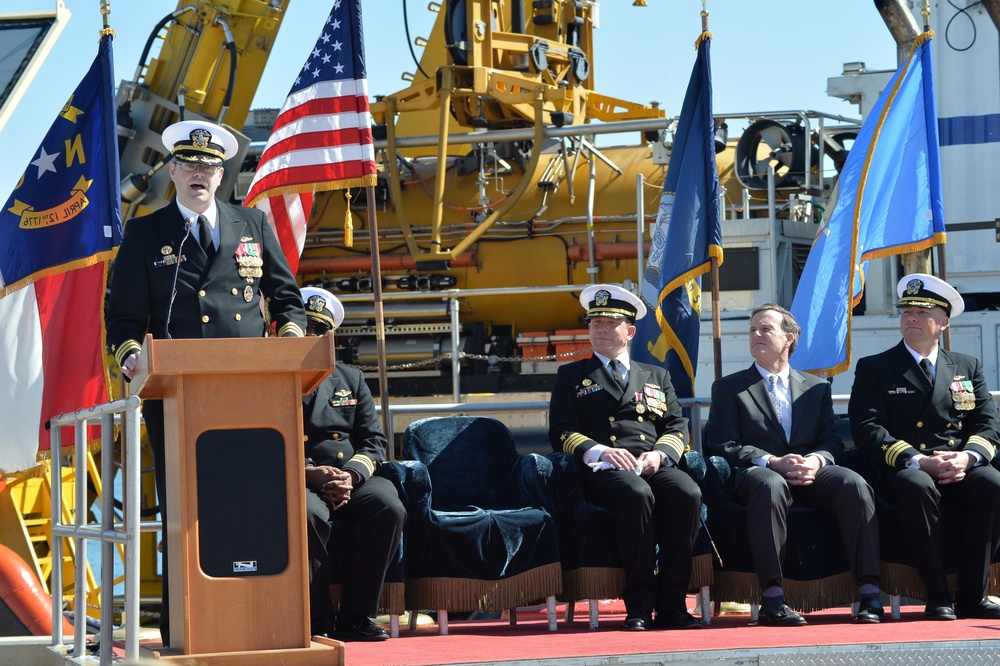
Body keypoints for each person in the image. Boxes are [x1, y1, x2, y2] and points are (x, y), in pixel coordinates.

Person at [105, 120, 306, 646]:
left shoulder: (253, 224)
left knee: (251, 505)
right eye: (189, 165)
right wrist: (131, 358)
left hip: (251, 398)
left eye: (209, 166)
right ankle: (186, 630)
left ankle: (257, 624)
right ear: (172, 171)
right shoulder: (147, 233)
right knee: (186, 517)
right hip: (177, 400)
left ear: (222, 174)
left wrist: (288, 337)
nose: (199, 174)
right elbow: (124, 322)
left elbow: (287, 299)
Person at [705, 304, 883, 626]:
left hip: (810, 472)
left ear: (788, 338)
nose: (755, 335)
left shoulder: (816, 387)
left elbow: (831, 440)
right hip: (758, 474)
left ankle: (870, 593)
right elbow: (722, 444)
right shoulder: (729, 388)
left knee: (854, 485)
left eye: (765, 329)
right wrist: (773, 462)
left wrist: (815, 461)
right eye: (752, 330)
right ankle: (773, 598)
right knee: (770, 485)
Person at [548, 284, 703, 631]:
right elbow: (559, 431)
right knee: (636, 494)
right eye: (595, 323)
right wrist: (601, 449)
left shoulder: (656, 375)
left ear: (629, 331)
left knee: (687, 493)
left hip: (650, 463)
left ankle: (673, 605)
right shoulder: (571, 376)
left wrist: (659, 456)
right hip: (604, 469)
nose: (601, 329)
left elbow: (678, 426)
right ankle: (639, 605)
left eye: (610, 323)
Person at [850, 273, 1000, 620]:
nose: (911, 318)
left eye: (922, 312)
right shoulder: (876, 367)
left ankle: (973, 594)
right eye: (906, 312)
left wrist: (967, 457)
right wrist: (918, 460)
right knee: (917, 487)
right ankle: (937, 595)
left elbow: (988, 423)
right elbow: (867, 428)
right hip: (907, 468)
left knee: (992, 484)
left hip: (957, 465)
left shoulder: (966, 366)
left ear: (943, 322)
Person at [299, 286, 406, 642]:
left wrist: (350, 475)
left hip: (349, 478)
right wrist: (309, 474)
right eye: (306, 327)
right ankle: (317, 617)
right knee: (308, 515)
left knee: (389, 507)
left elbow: (375, 442)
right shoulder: (272, 378)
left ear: (331, 336)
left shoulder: (350, 378)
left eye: (320, 330)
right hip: (301, 477)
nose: (312, 336)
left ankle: (356, 615)